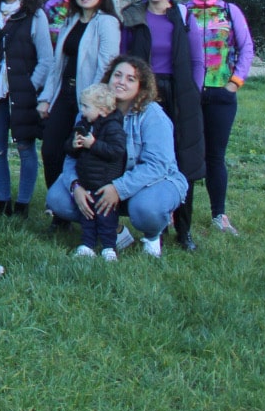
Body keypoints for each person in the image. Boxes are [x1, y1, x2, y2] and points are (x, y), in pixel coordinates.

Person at [45, 55, 188, 259]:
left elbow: (157, 165)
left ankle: (153, 235)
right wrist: (75, 186)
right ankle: (114, 230)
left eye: (131, 79)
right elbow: (72, 156)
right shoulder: (90, 109)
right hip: (100, 181)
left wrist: (119, 189)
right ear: (108, 78)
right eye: (117, 75)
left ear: (141, 86)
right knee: (58, 199)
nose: (121, 81)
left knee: (146, 209)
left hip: (152, 182)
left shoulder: (153, 115)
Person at [122, 0, 209, 250]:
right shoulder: (134, 15)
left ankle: (184, 231)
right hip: (146, 94)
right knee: (147, 156)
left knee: (185, 160)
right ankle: (153, 226)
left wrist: (193, 93)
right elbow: (124, 58)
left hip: (179, 93)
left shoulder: (183, 16)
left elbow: (198, 60)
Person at [0, 0, 53, 217]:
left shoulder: (35, 15)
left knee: (25, 148)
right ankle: (3, 203)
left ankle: (22, 204)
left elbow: (46, 59)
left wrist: (28, 87)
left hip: (23, 95)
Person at [184, 0, 253, 236]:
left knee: (215, 156)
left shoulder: (229, 11)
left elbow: (247, 47)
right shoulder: (181, 11)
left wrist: (235, 83)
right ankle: (179, 214)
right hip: (189, 96)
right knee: (186, 155)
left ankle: (219, 214)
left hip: (221, 93)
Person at [38, 0, 121, 190]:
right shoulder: (70, 21)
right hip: (63, 95)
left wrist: (90, 104)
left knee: (77, 152)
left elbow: (106, 66)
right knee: (50, 150)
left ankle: (76, 204)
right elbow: (58, 65)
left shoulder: (107, 23)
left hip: (89, 101)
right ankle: (56, 206)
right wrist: (46, 97)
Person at [67, 82, 128, 260]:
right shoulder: (84, 124)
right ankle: (87, 244)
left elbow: (116, 151)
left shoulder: (113, 127)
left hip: (104, 183)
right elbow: (69, 148)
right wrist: (73, 145)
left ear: (101, 110)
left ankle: (109, 247)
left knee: (106, 217)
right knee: (87, 216)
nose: (82, 110)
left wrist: (93, 144)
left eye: (86, 106)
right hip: (86, 182)